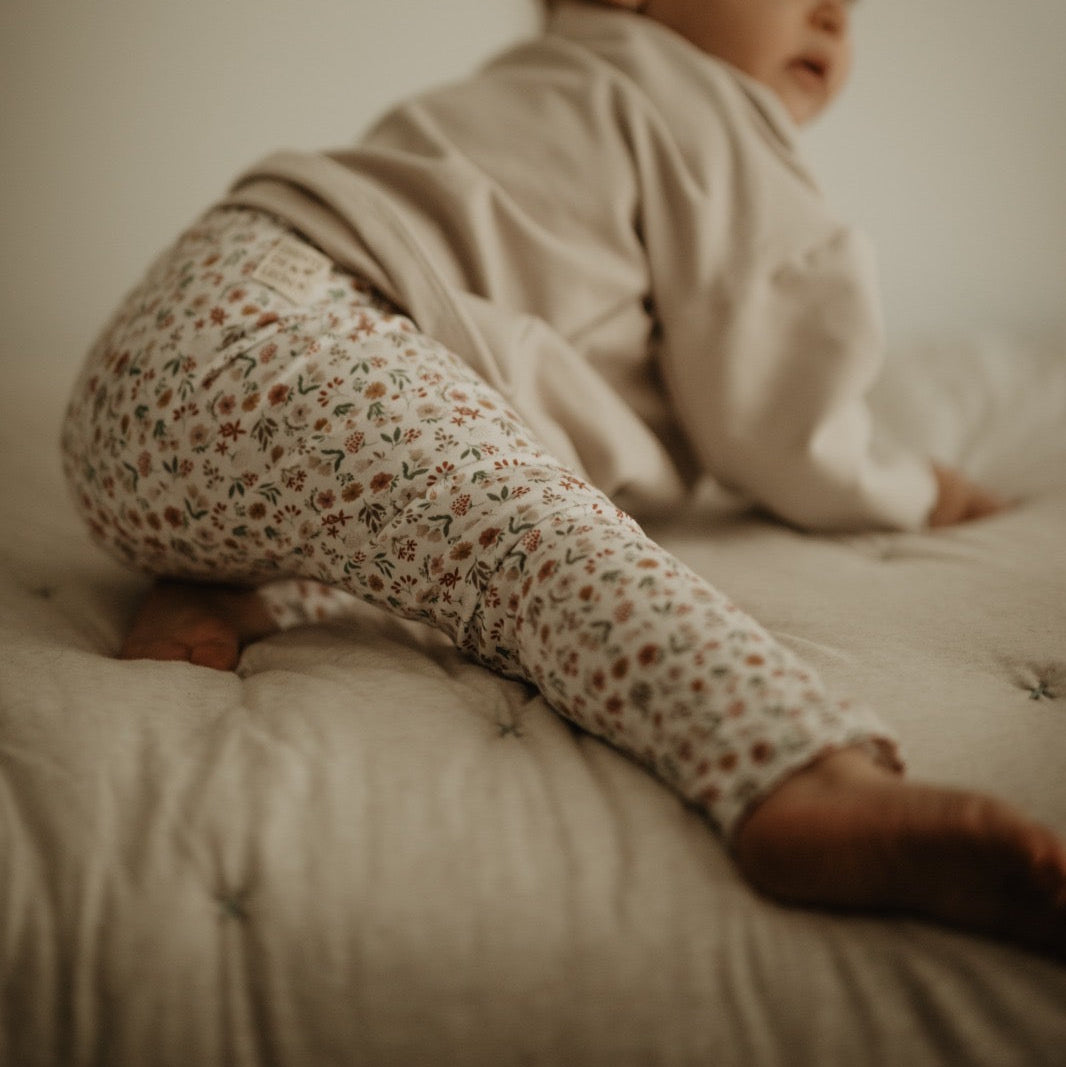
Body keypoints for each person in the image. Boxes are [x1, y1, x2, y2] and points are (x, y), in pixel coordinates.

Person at [61, 0, 1065, 957]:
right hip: (287, 335)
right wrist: (910, 487)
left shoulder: (539, 87)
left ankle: (222, 574)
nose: (834, 15)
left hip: (141, 395)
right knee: (529, 543)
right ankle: (796, 775)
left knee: (400, 502)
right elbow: (774, 408)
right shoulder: (703, 101)